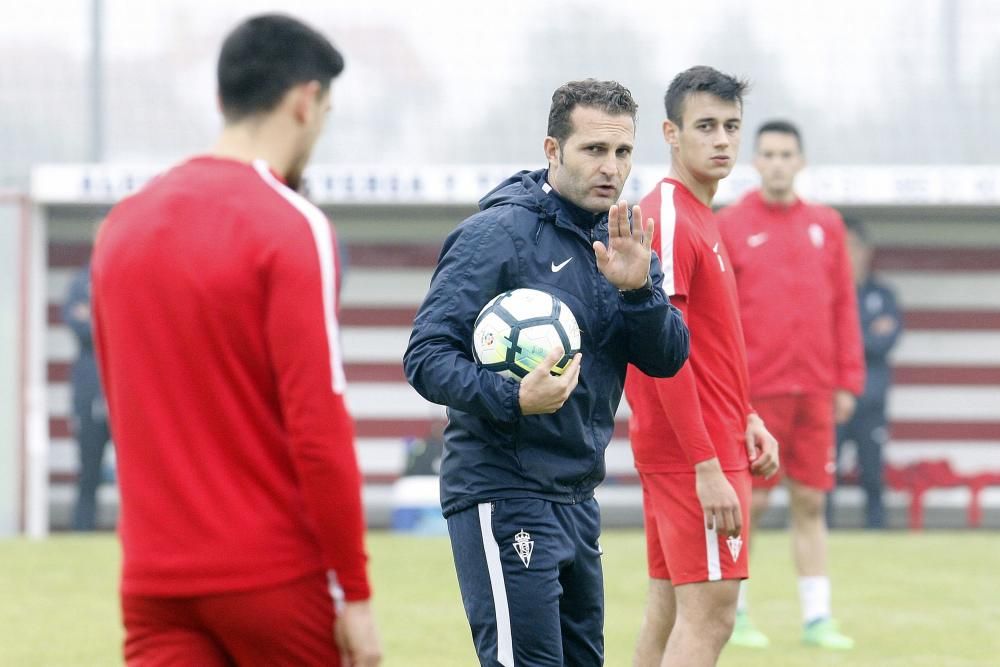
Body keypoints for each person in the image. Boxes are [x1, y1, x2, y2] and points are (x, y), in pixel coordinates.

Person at [90, 14, 381, 666]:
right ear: (305, 101)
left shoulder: (120, 226)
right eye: (326, 112)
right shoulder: (291, 223)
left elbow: (124, 403)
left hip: (153, 580)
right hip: (272, 578)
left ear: (223, 98)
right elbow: (318, 427)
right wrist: (355, 593)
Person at [404, 79, 689, 666]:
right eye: (593, 150)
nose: (611, 167)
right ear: (552, 150)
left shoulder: (623, 239)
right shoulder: (495, 235)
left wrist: (639, 292)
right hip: (502, 489)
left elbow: (668, 357)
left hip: (578, 497)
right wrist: (513, 398)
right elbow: (427, 355)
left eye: (623, 153)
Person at [624, 66, 780, 667]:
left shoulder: (698, 211)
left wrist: (745, 414)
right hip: (694, 454)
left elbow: (705, 346)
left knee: (669, 608)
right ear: (671, 132)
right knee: (712, 616)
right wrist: (706, 464)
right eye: (705, 126)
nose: (721, 140)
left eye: (731, 127)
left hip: (710, 437)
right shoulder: (666, 215)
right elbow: (662, 355)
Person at [717, 119, 864, 650]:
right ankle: (736, 614)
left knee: (810, 501)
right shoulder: (731, 225)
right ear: (755, 162)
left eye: (787, 154)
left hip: (817, 390)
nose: (778, 163)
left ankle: (818, 617)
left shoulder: (827, 225)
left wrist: (848, 380)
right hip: (756, 393)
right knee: (750, 504)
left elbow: (844, 307)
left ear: (801, 162)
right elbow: (720, 316)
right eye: (769, 154)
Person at [828, 216, 903, 529]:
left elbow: (884, 343)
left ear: (866, 251)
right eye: (842, 247)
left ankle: (876, 529)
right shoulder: (825, 295)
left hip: (872, 403)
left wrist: (847, 336)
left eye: (854, 247)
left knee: (872, 473)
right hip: (833, 401)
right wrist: (864, 334)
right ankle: (821, 530)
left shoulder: (883, 295)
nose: (849, 254)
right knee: (825, 473)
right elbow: (822, 342)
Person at [62, 263, 112, 531]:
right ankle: (82, 531)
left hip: (123, 395)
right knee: (88, 472)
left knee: (138, 476)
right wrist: (109, 320)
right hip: (89, 394)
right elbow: (77, 325)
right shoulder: (81, 281)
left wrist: (93, 316)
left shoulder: (125, 274)